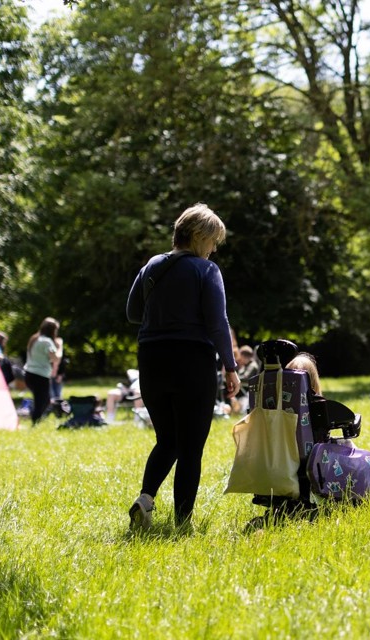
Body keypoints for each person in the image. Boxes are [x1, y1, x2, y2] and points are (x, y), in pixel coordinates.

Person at [125, 203, 240, 531]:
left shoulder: (152, 265)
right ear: (198, 236)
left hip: (151, 358)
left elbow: (133, 312)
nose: (214, 248)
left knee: (168, 439)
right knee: (191, 446)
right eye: (213, 240)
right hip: (192, 361)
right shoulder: (207, 271)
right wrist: (231, 367)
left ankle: (146, 500)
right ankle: (182, 522)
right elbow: (218, 323)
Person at [24, 318, 61, 425]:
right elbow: (55, 358)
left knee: (43, 400)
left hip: (29, 374)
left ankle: (36, 419)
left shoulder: (34, 339)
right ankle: (34, 423)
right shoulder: (47, 342)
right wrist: (60, 347)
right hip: (40, 375)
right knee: (42, 401)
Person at [230, 345, 260, 414]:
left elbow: (246, 378)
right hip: (244, 390)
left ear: (243, 356)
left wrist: (233, 378)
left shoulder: (253, 366)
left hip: (247, 391)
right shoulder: (246, 365)